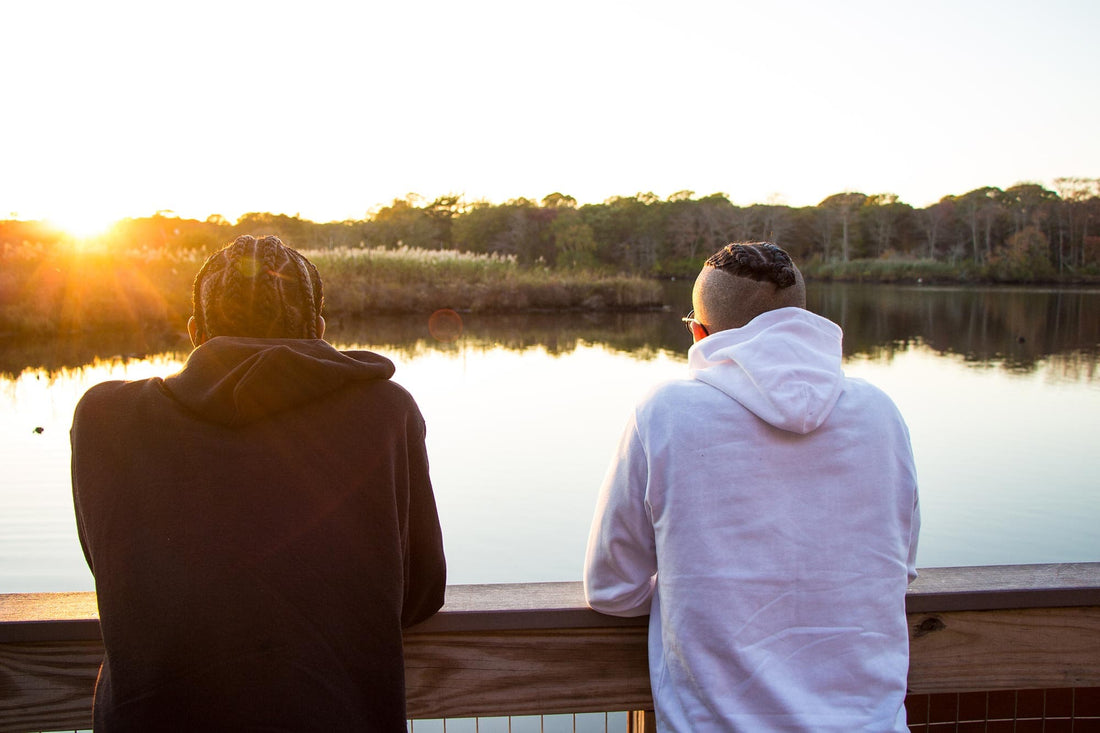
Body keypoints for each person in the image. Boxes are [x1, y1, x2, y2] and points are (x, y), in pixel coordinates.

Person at [71, 234, 446, 731]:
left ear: (194, 333)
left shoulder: (105, 418)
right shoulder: (385, 411)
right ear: (318, 329)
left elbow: (116, 569)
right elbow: (420, 592)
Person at [584, 242, 920, 732]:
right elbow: (900, 568)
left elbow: (613, 591)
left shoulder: (665, 413)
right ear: (802, 321)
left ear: (699, 334)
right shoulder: (880, 413)